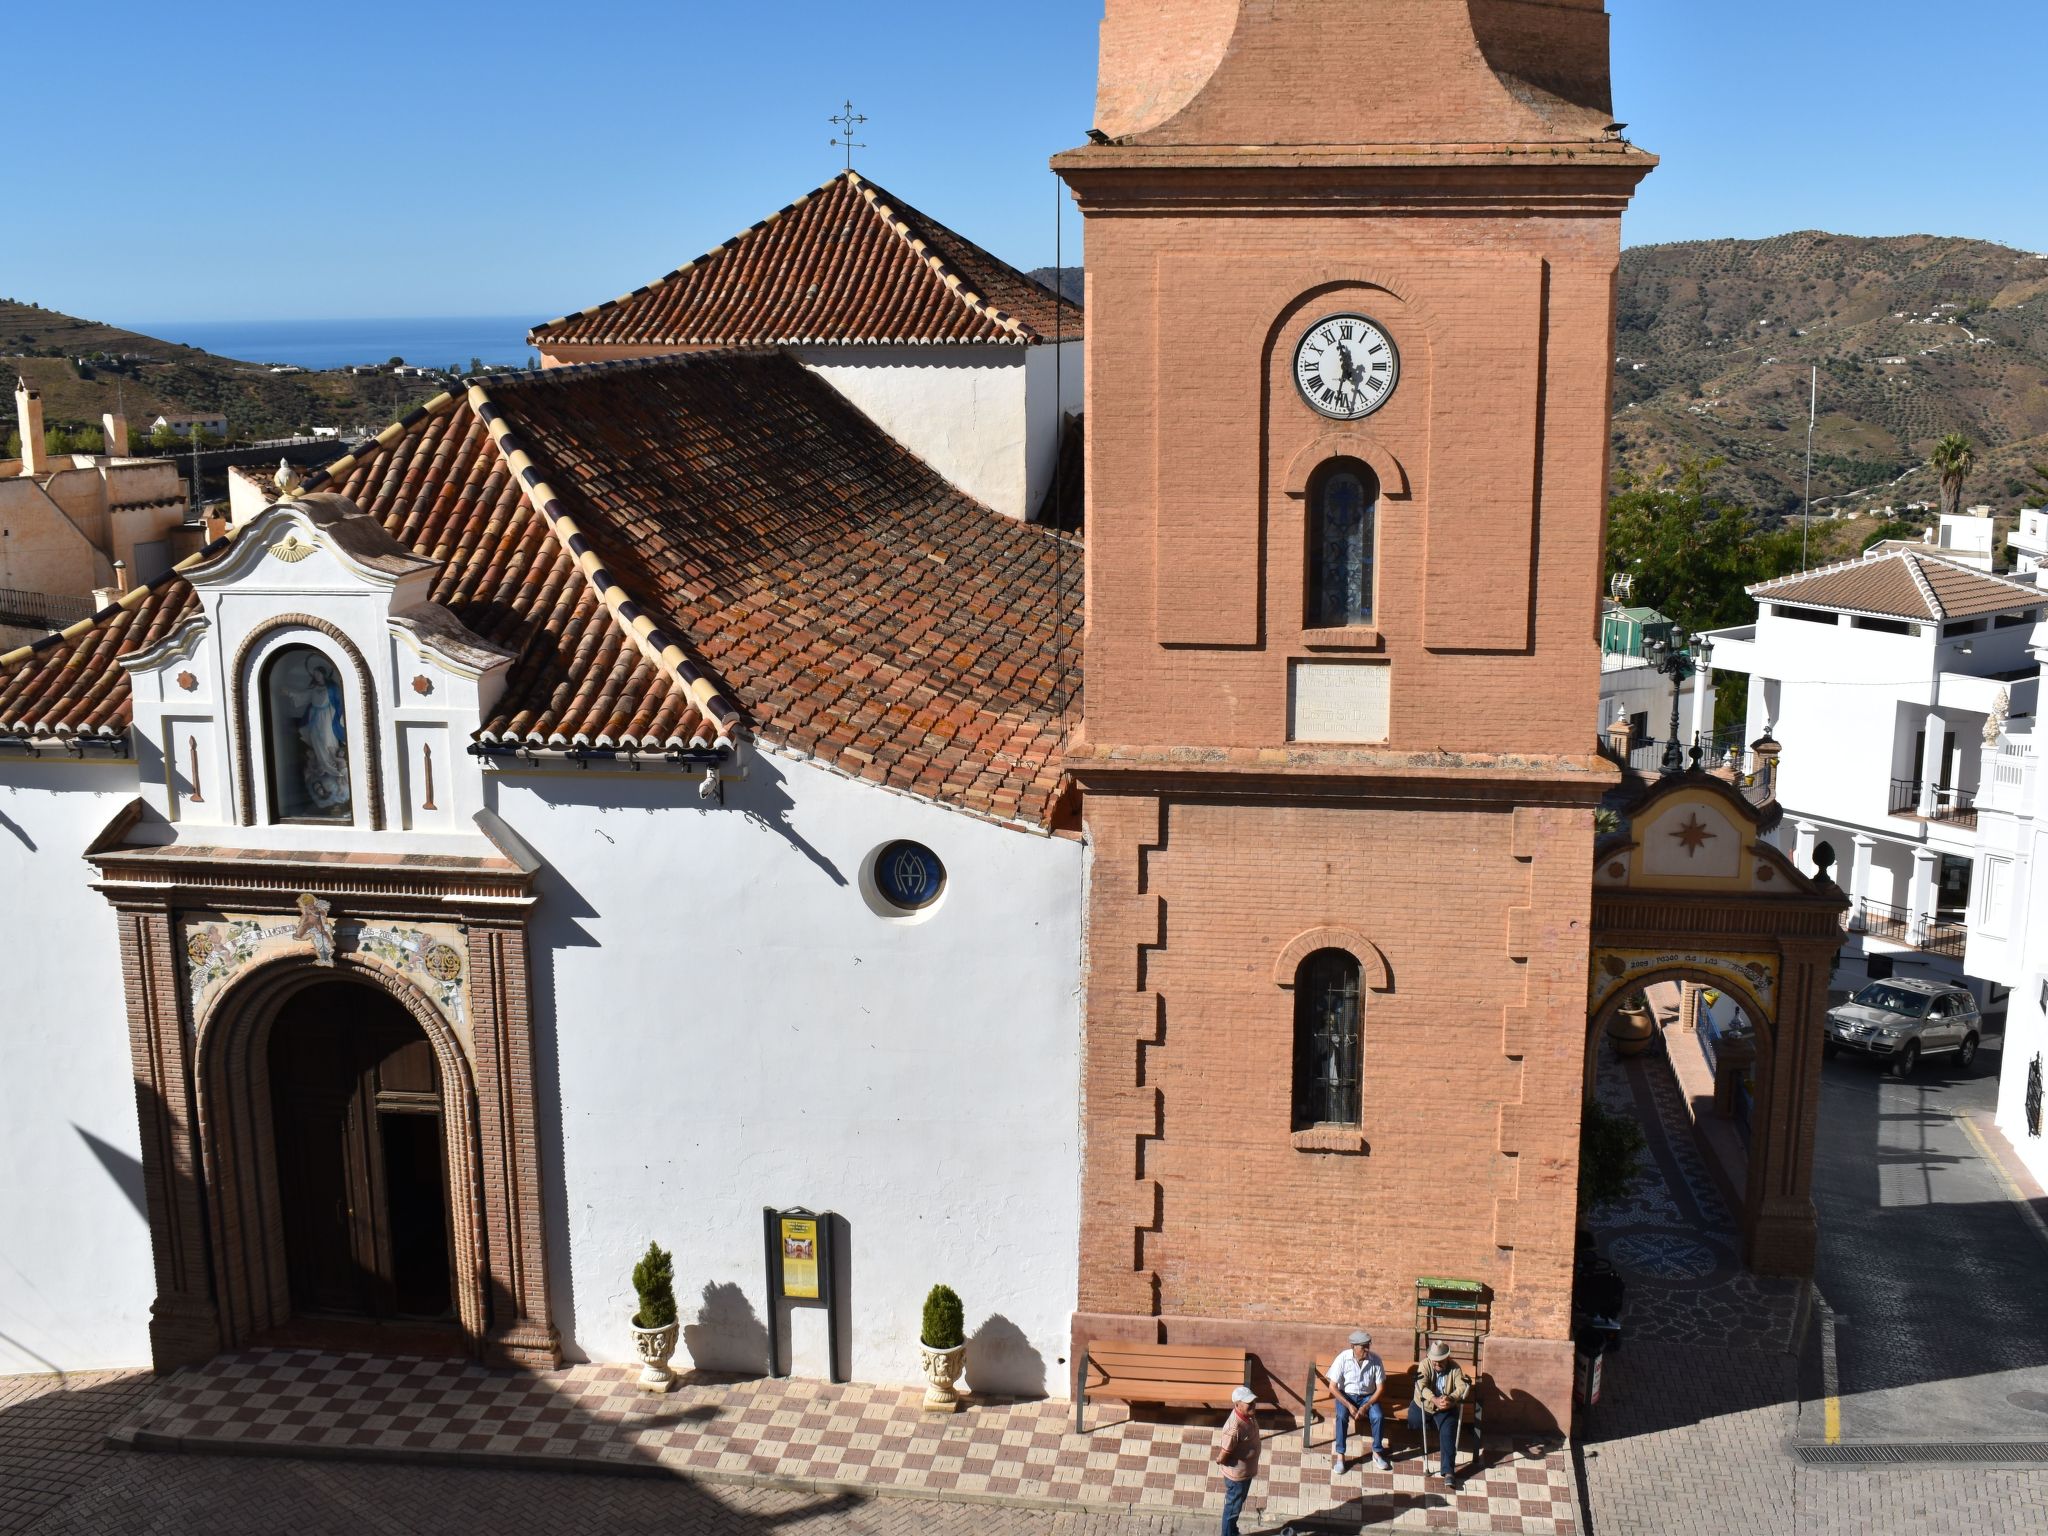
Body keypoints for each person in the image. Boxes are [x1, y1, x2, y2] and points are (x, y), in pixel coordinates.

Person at [1321, 1329, 1388, 1473]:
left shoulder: (1375, 1360)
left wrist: (1366, 1406)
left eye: (1368, 1346)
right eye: (1363, 1347)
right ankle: (1340, 1456)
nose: (1367, 1349)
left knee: (1378, 1416)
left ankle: (1377, 1453)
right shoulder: (1342, 1358)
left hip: (1367, 1396)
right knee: (1341, 1416)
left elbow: (1380, 1388)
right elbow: (1332, 1387)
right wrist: (1349, 1405)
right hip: (1346, 1395)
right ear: (1353, 1346)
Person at [1408, 1340, 1470, 1490]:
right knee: (1413, 1422)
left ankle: (1449, 1472)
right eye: (1434, 1361)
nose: (1437, 1364)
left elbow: (1462, 1387)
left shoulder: (1455, 1368)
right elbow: (1421, 1386)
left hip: (1445, 1407)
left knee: (1448, 1432)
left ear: (1447, 1358)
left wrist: (1451, 1398)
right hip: (1424, 1405)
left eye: (1440, 1361)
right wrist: (1434, 1399)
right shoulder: (1425, 1365)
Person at [1212, 1383, 1261, 1536]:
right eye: (1248, 1402)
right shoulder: (1233, 1428)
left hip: (1245, 1473)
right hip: (1236, 1477)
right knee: (1232, 1508)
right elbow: (1224, 1453)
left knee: (1237, 1505)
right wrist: (1219, 1460)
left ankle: (1232, 1531)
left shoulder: (1249, 1415)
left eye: (1253, 1401)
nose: (1253, 1404)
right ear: (1237, 1405)